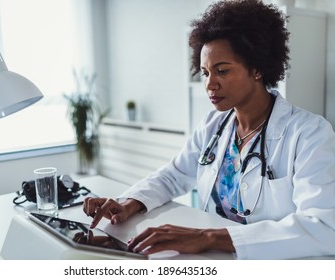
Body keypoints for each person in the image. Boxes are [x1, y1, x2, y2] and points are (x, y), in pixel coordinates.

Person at [83, 0, 335, 259]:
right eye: (204, 73)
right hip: (213, 257)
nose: (210, 84)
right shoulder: (214, 126)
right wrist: (130, 202)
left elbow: (324, 227)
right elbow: (173, 175)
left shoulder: (309, 134)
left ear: (257, 68)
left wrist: (205, 237)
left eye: (222, 71)